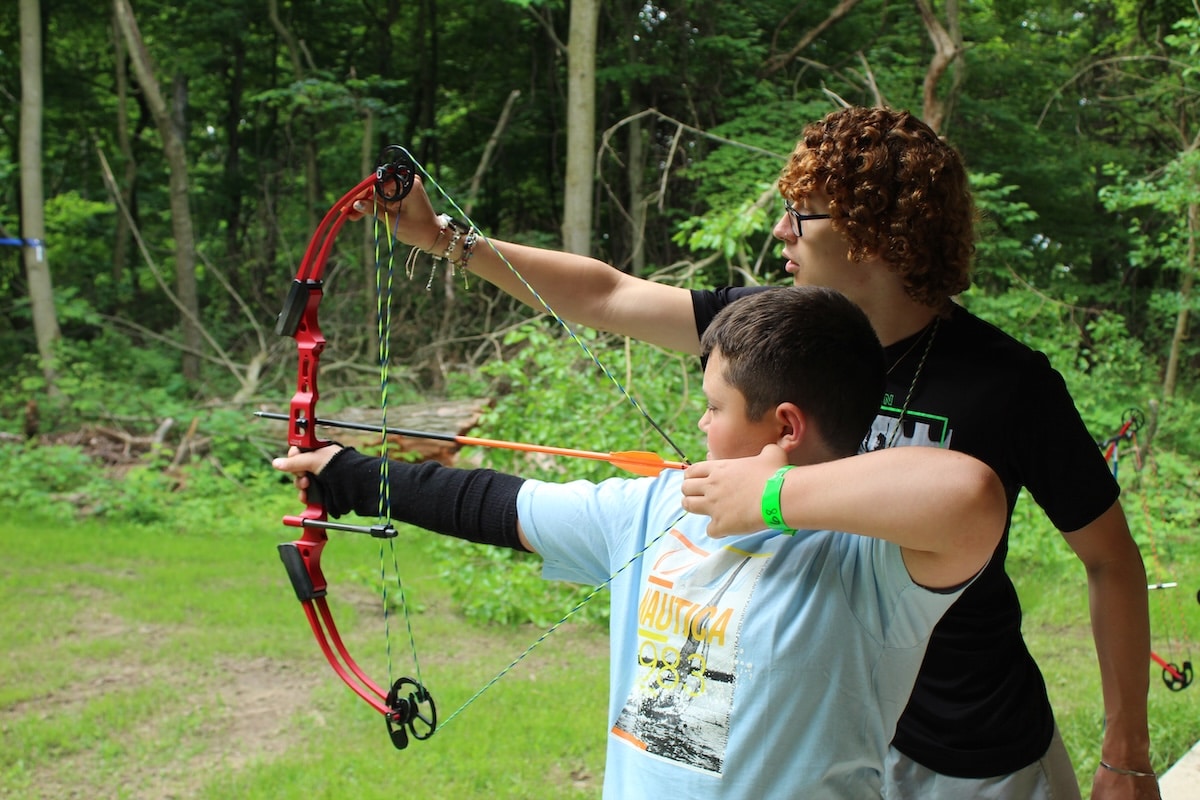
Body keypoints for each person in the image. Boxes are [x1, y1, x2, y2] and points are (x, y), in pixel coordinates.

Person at [354, 105, 1158, 799]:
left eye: (802, 212)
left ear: (876, 233)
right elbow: (604, 295)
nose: (780, 229)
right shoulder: (777, 330)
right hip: (805, 732)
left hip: (965, 743)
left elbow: (1109, 560)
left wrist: (1125, 756)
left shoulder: (1008, 384)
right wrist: (441, 240)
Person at [275, 285, 1004, 799]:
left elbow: (969, 496)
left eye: (713, 407)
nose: (700, 425)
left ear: (784, 425)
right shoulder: (658, 507)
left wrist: (774, 497)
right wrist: (343, 473)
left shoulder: (867, 558)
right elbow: (490, 503)